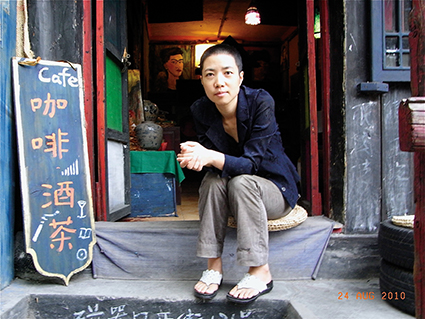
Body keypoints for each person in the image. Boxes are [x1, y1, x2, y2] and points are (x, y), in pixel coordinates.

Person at [177, 44, 300, 304]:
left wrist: (210, 156)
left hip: (275, 189)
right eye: (210, 75)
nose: (219, 82)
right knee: (211, 181)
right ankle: (214, 266)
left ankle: (260, 270)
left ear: (241, 77)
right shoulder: (201, 109)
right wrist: (196, 157)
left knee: (243, 182)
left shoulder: (260, 101)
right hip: (234, 192)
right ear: (202, 81)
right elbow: (213, 164)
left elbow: (251, 165)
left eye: (227, 73)